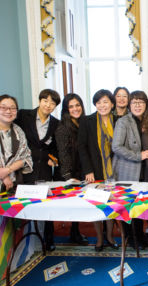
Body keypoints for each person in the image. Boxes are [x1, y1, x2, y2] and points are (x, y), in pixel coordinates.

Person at [15, 89, 61, 251]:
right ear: (40, 100)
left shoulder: (56, 123)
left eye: (53, 103)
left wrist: (53, 159)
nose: (48, 105)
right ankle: (23, 241)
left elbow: (56, 147)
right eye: (46, 101)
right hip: (24, 166)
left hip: (44, 169)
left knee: (46, 204)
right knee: (25, 202)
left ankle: (48, 239)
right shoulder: (23, 116)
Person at [78, 89, 118, 252]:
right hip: (94, 170)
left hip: (114, 170)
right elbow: (82, 147)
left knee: (110, 203)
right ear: (95, 104)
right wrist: (88, 170)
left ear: (112, 104)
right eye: (99, 102)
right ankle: (99, 238)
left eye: (106, 102)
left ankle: (109, 236)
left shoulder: (118, 120)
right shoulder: (87, 121)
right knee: (97, 203)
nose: (102, 105)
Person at [112, 91, 148, 250]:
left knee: (140, 206)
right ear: (129, 105)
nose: (138, 105)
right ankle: (131, 239)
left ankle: (140, 237)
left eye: (141, 102)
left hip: (144, 171)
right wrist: (138, 155)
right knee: (129, 207)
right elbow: (116, 147)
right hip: (127, 170)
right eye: (134, 102)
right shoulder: (123, 122)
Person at [55, 93, 88, 245]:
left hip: (82, 169)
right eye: (71, 106)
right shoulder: (63, 128)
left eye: (78, 105)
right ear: (66, 110)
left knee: (80, 203)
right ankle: (74, 234)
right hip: (70, 172)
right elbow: (63, 154)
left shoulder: (83, 123)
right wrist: (67, 176)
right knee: (73, 204)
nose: (75, 109)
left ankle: (76, 232)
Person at [0, 95, 33, 193]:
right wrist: (4, 177)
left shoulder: (19, 132)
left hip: (14, 185)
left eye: (12, 108)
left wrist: (7, 170)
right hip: (6, 182)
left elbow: (26, 158)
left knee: (12, 208)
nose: (8, 111)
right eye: (3, 107)